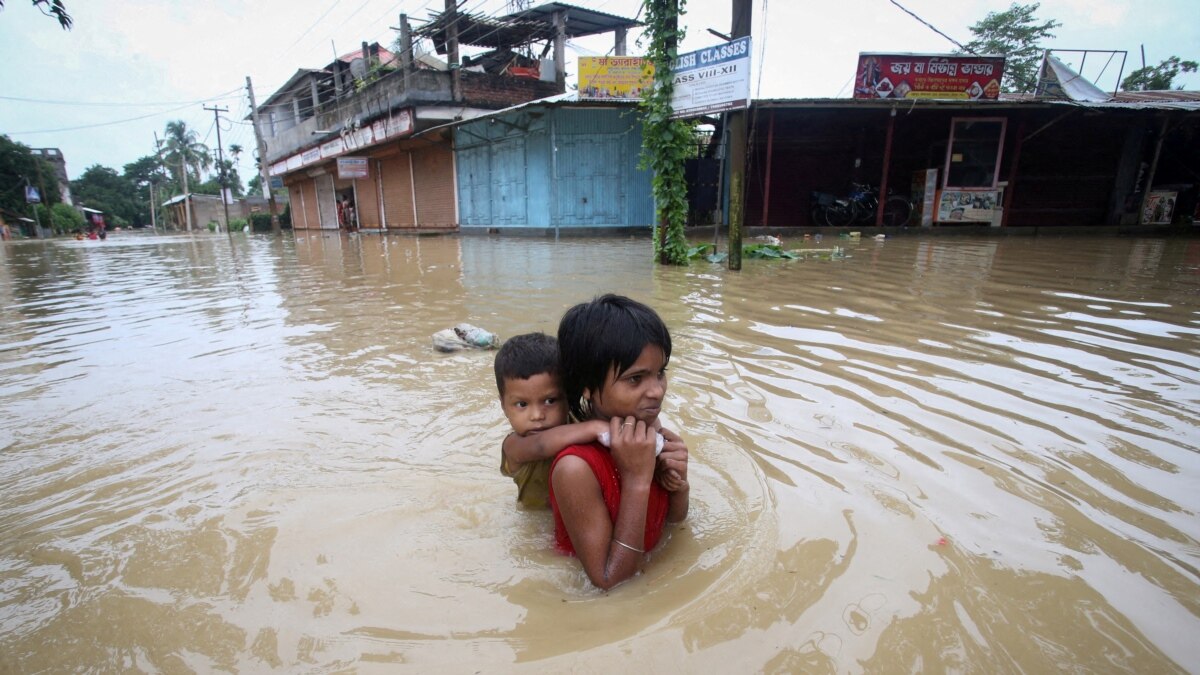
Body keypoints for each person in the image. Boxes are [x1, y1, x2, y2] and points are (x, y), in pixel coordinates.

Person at [550, 294, 690, 590]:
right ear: (587, 387)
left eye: (660, 373)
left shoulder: (648, 428)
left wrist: (679, 484)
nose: (657, 391)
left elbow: (672, 525)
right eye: (635, 379)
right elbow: (610, 581)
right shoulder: (576, 468)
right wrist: (638, 479)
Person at [495, 332, 679, 509]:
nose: (536, 415)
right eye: (521, 404)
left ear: (569, 396)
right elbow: (541, 445)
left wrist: (659, 445)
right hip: (539, 518)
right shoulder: (514, 446)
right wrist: (595, 428)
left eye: (550, 401)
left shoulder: (575, 421)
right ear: (503, 405)